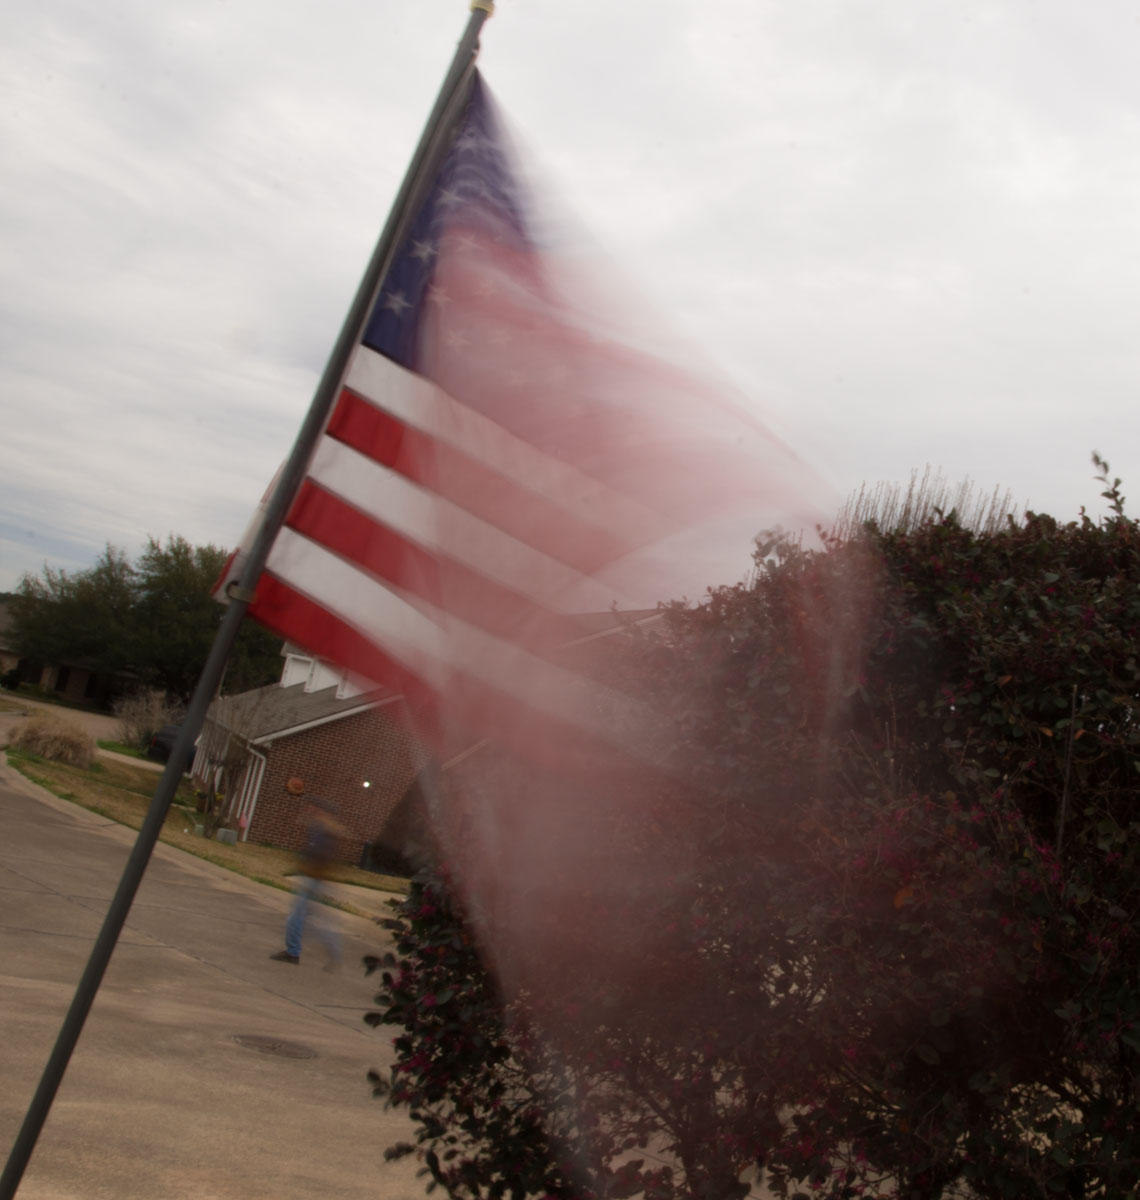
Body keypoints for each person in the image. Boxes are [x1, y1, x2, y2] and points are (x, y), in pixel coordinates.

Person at [270, 786, 344, 968]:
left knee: (296, 917)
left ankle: (293, 952)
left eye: (313, 807)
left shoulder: (325, 830)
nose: (309, 809)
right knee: (312, 920)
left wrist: (307, 863)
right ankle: (333, 952)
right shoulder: (320, 827)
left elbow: (320, 854)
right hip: (314, 878)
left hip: (313, 879)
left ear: (321, 811)